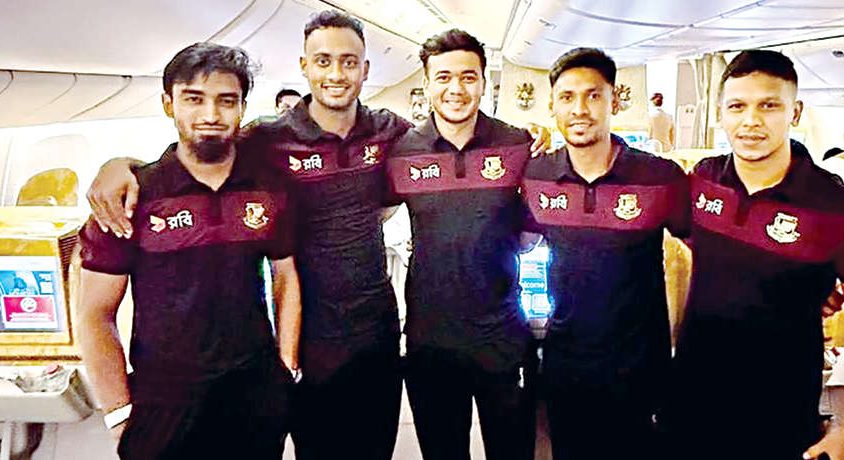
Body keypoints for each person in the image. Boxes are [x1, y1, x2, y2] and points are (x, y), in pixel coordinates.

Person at [85, 12, 549, 460]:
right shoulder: (267, 138)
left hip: (377, 333)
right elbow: (202, 148)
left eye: (349, 62)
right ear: (304, 66)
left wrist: (539, 137)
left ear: (365, 69)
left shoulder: (390, 133)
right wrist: (120, 167)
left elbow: (448, 149)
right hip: (310, 338)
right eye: (323, 61)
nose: (336, 74)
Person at [76, 42, 300, 460]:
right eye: (194, 99)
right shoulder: (132, 197)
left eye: (226, 101)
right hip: (164, 401)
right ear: (169, 104)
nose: (211, 114)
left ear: (242, 108)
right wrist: (117, 412)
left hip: (253, 394)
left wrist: (286, 368)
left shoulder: (267, 188)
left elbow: (285, 275)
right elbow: (95, 313)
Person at [665, 50, 844, 460]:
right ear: (721, 114)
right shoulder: (703, 181)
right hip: (689, 405)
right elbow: (696, 241)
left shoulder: (842, 211)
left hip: (780, 416)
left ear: (795, 112)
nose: (751, 121)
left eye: (768, 106)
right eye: (737, 106)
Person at [521, 48, 690, 460]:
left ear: (615, 102)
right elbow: (514, 241)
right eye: (567, 97)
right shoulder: (537, 176)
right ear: (553, 106)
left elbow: (707, 250)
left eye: (593, 95)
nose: (580, 109)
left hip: (640, 368)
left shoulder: (659, 177)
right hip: (566, 366)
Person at [386, 29, 538, 460]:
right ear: (427, 83)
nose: (457, 88)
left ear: (484, 82)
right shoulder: (402, 152)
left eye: (469, 77)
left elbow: (531, 235)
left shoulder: (518, 144)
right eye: (444, 77)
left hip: (503, 336)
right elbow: (371, 215)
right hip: (431, 340)